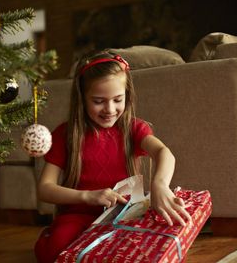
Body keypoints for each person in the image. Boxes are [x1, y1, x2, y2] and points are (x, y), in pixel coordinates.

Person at [34, 50, 192, 263]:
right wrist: (88, 196)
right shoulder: (66, 134)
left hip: (125, 216)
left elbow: (164, 153)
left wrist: (160, 185)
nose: (109, 109)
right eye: (98, 101)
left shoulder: (134, 129)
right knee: (54, 251)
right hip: (77, 216)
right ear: (82, 98)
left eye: (118, 100)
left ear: (127, 95)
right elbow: (45, 188)